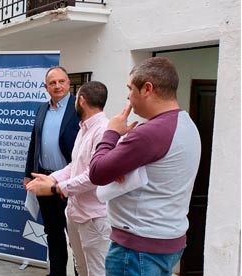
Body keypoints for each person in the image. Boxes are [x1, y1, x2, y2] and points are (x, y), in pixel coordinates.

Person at [88, 57, 201, 275]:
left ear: (147, 88)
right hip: (166, 239)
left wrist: (110, 133)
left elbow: (97, 172)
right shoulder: (185, 124)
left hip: (137, 248)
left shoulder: (150, 133)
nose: (128, 96)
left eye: (130, 89)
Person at [26, 81, 110, 276]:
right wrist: (51, 179)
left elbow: (93, 175)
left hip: (94, 218)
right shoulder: (84, 128)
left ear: (81, 101)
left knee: (96, 271)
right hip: (76, 212)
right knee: (81, 268)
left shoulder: (103, 131)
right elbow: (75, 165)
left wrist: (57, 188)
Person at [23, 66, 80, 276]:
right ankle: (57, 273)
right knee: (53, 232)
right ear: (46, 87)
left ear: (68, 83)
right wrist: (28, 172)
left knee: (74, 236)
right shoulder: (42, 109)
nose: (57, 86)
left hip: (69, 183)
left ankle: (79, 272)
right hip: (44, 180)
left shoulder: (79, 108)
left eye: (61, 81)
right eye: (52, 83)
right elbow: (34, 142)